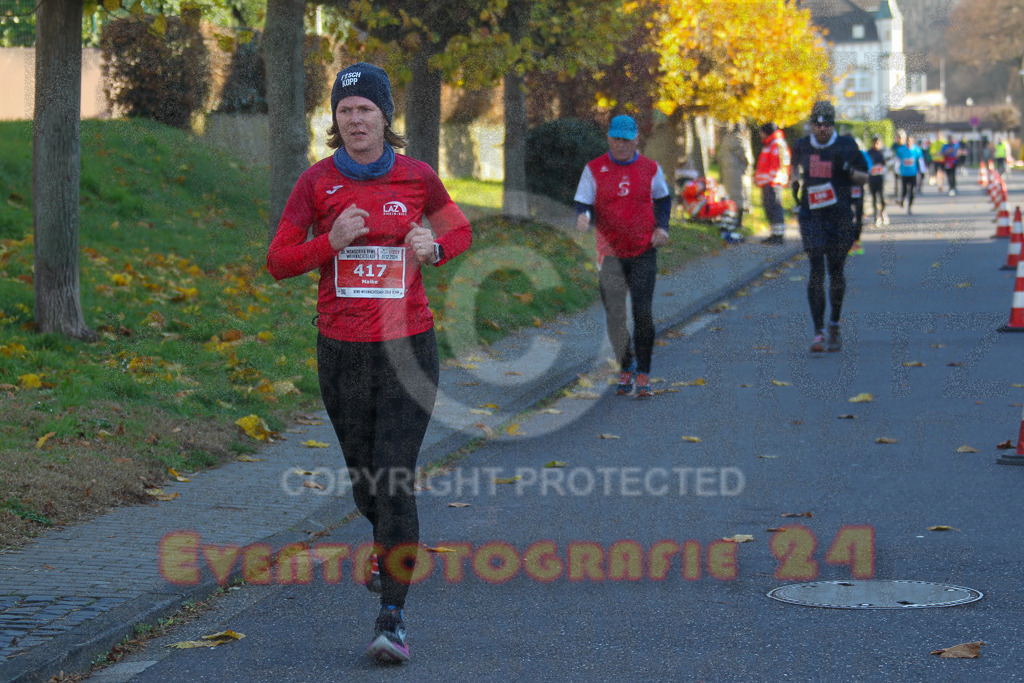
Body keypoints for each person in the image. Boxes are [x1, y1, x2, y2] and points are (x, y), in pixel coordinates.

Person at [266, 62, 472, 664]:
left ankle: (393, 617)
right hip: (342, 352)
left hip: (410, 348)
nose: (355, 119)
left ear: (386, 117)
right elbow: (278, 261)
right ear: (335, 120)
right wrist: (328, 244)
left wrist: (433, 247)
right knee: (365, 481)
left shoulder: (418, 178)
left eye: (365, 109)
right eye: (345, 110)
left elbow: (458, 232)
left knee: (394, 475)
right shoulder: (316, 183)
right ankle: (387, 550)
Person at [574, 114, 672, 398]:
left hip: (643, 251)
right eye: (616, 139)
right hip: (610, 254)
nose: (621, 145)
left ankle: (643, 373)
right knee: (615, 315)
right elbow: (583, 203)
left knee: (643, 312)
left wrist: (662, 228)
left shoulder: (651, 169)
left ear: (636, 139)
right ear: (609, 139)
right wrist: (583, 217)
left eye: (626, 140)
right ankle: (625, 366)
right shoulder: (594, 169)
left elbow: (664, 200)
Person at [789, 101, 868, 353]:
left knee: (836, 272)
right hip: (812, 216)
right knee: (815, 269)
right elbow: (793, 169)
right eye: (816, 124)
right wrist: (793, 183)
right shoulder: (801, 146)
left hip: (840, 217)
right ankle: (818, 332)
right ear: (811, 124)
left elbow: (865, 177)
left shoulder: (847, 145)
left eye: (826, 124)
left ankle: (834, 323)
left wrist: (846, 170)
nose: (821, 129)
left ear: (832, 124)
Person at [754, 122, 791, 246]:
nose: (760, 135)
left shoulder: (776, 144)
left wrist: (770, 179)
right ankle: (774, 234)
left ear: (767, 132)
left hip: (773, 182)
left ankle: (778, 236)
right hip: (768, 183)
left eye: (762, 132)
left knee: (775, 208)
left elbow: (778, 165)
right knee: (770, 208)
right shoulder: (770, 144)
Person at [894, 134, 923, 214]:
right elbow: (897, 160)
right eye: (908, 140)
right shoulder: (901, 149)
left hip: (913, 173)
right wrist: (896, 170)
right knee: (904, 190)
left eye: (910, 141)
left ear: (913, 141)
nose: (909, 142)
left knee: (913, 191)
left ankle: (909, 207)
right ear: (906, 141)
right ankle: (902, 200)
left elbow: (920, 161)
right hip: (904, 173)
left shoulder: (917, 150)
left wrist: (922, 171)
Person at [866, 135, 889, 227]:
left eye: (878, 142)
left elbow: (889, 163)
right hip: (872, 179)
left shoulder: (884, 152)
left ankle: (883, 212)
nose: (876, 144)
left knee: (882, 198)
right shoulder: (869, 153)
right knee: (874, 198)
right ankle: (876, 217)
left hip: (882, 178)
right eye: (875, 142)